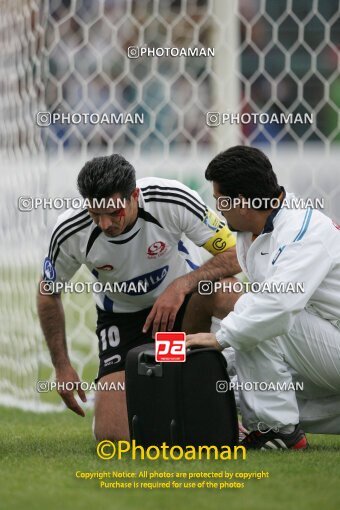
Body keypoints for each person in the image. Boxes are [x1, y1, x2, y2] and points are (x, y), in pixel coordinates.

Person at [37, 154, 241, 441]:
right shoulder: (71, 230)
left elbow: (236, 254)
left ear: (134, 195)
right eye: (96, 214)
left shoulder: (171, 199)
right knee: (113, 437)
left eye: (114, 213)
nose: (105, 224)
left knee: (228, 292)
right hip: (124, 321)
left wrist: (181, 285)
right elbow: (48, 292)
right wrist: (61, 366)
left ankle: (242, 387)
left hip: (184, 308)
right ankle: (192, 390)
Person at [187, 145, 340, 450]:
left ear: (242, 203)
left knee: (257, 314)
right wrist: (208, 358)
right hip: (325, 349)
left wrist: (219, 339)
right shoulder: (251, 234)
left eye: (220, 201)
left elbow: (278, 307)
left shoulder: (304, 231)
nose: (218, 209)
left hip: (329, 343)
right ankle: (275, 424)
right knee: (239, 390)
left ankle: (278, 431)